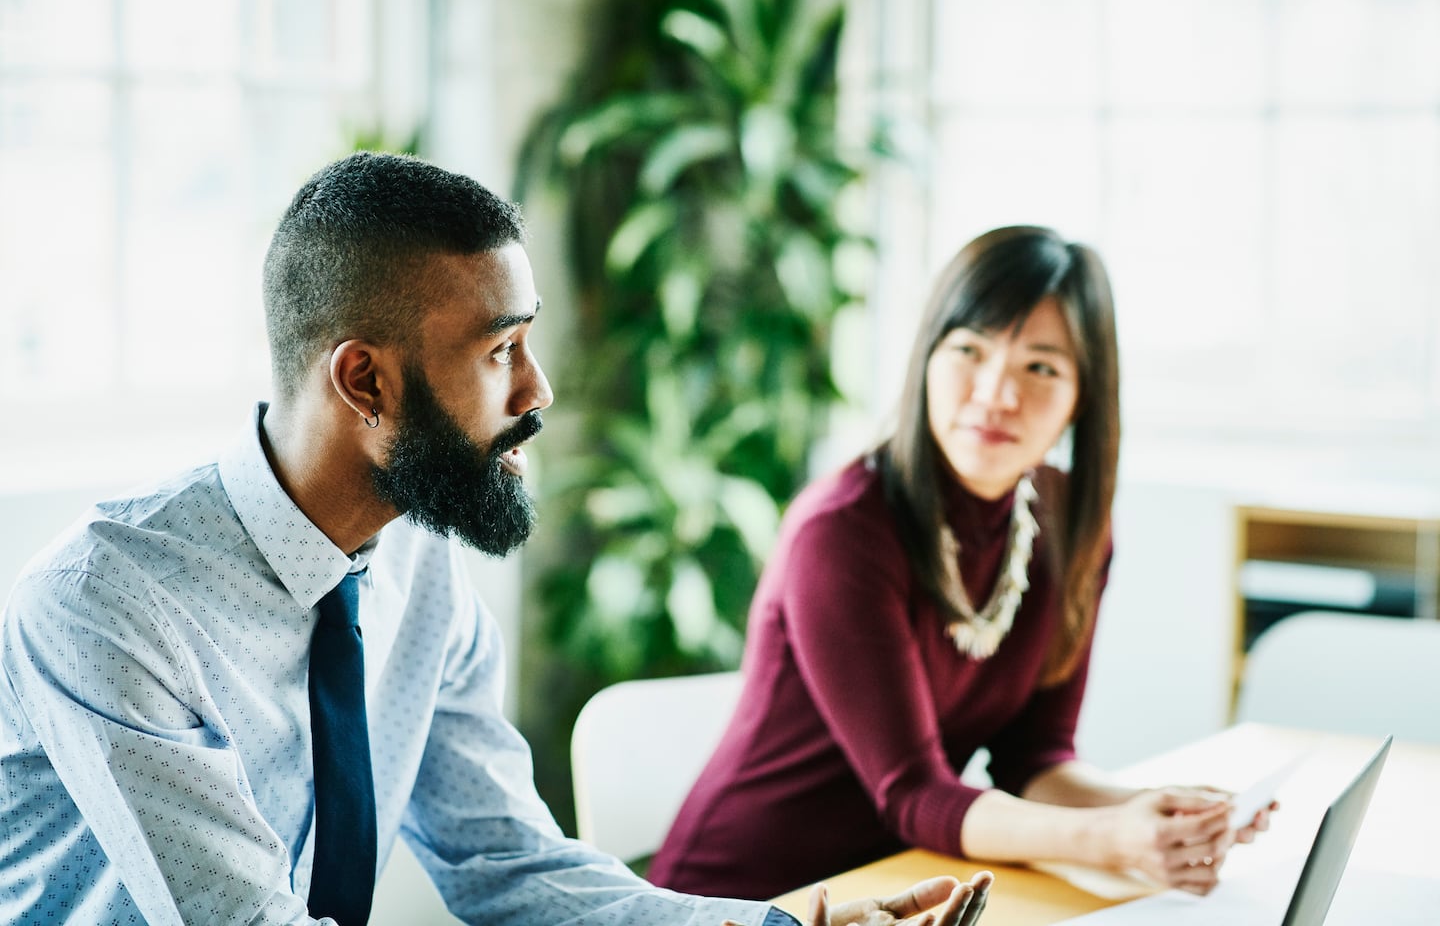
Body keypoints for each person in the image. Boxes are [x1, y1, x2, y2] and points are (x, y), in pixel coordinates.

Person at [0, 152, 992, 926]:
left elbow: (508, 863)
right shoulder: (106, 604)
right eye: (499, 351)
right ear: (365, 383)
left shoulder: (418, 565)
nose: (538, 392)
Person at [649, 226, 1272, 902]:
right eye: (970, 351)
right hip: (749, 898)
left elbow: (1035, 758)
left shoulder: (1067, 524)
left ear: (1082, 396)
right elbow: (914, 793)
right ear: (926, 361)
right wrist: (1116, 841)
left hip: (902, 890)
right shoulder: (844, 531)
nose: (996, 394)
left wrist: (1157, 814)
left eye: (1041, 366)